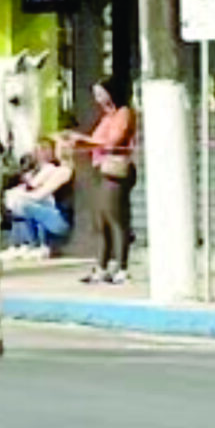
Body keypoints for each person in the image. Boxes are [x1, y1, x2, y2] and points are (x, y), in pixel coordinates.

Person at [67, 78, 136, 283]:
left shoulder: (124, 114)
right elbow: (96, 142)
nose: (97, 99)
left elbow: (113, 141)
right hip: (100, 168)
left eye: (101, 93)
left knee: (116, 218)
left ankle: (121, 266)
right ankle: (101, 266)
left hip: (116, 170)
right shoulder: (107, 117)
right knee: (101, 220)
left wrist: (85, 140)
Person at [2, 140, 75, 259]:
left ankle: (40, 246)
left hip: (60, 219)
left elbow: (40, 194)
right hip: (51, 213)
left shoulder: (63, 171)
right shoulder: (55, 169)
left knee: (23, 205)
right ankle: (19, 244)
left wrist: (16, 196)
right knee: (20, 204)